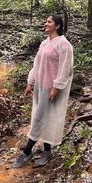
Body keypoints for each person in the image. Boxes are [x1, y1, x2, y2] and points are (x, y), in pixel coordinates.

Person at [13, 14, 74, 168]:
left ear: (57, 26)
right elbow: (36, 64)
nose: (46, 23)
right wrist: (30, 82)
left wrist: (56, 87)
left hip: (50, 88)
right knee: (43, 116)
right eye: (46, 21)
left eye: (49, 22)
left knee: (40, 117)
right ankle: (47, 151)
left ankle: (27, 151)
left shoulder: (64, 45)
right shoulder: (44, 43)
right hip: (40, 86)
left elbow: (65, 68)